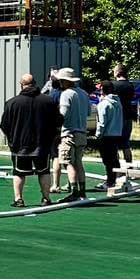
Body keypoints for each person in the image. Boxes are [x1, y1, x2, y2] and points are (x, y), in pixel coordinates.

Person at [0, 73, 61, 207]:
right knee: (44, 172)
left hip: (20, 146)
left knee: (19, 173)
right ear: (35, 84)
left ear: (21, 84)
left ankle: (18, 199)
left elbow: (4, 125)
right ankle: (46, 198)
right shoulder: (48, 101)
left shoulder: (12, 103)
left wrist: (12, 139)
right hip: (43, 145)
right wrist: (51, 137)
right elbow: (58, 122)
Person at [55, 68, 89, 201]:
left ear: (65, 81)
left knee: (68, 162)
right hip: (82, 132)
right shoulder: (84, 94)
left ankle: (74, 192)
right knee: (78, 162)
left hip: (69, 133)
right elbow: (88, 112)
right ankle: (82, 191)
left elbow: (62, 114)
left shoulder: (66, 94)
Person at [93, 78, 126, 189]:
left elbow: (102, 122)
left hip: (106, 135)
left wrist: (98, 135)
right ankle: (117, 178)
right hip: (116, 133)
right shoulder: (118, 102)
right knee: (114, 158)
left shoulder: (103, 104)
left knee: (107, 160)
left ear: (103, 89)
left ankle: (110, 182)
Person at [111, 62, 137, 172]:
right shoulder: (130, 85)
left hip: (116, 118)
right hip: (127, 116)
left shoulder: (113, 85)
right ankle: (129, 167)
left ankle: (116, 168)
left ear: (117, 72)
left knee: (114, 144)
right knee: (126, 144)